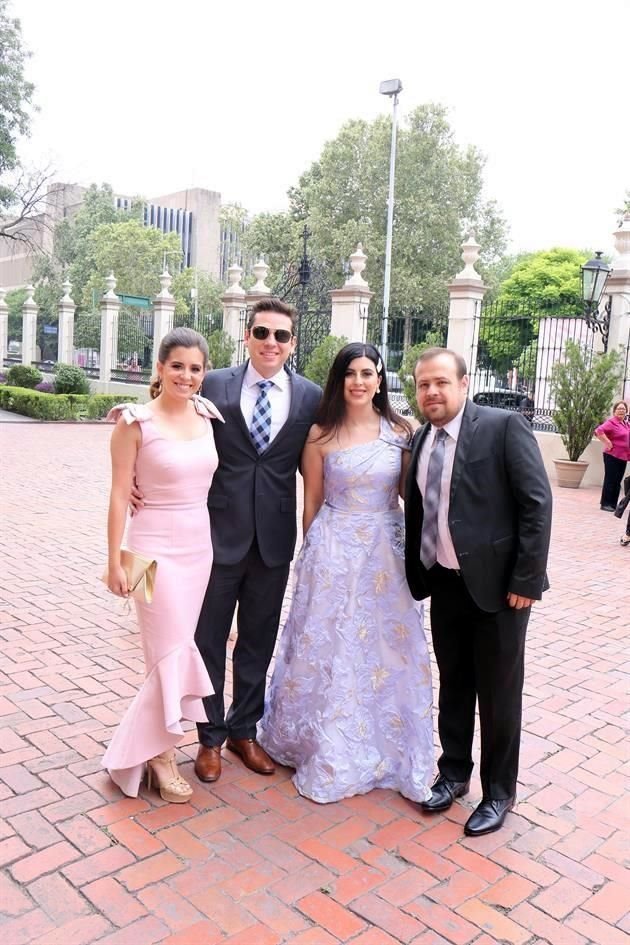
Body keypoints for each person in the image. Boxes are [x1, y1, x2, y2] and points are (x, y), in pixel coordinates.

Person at [258, 343, 434, 803]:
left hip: (384, 551)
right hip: (334, 548)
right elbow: (312, 501)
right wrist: (312, 551)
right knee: (329, 642)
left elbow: (406, 495)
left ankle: (385, 743)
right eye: (350, 373)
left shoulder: (402, 431)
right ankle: (318, 740)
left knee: (383, 647)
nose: (359, 381)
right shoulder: (320, 434)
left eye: (368, 373)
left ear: (380, 380)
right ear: (339, 380)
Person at [404, 347, 552, 837]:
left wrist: (526, 580)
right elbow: (421, 511)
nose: (432, 392)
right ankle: (452, 775)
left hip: (500, 590)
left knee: (499, 693)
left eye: (442, 382)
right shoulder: (422, 438)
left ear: (463, 384)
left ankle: (498, 792)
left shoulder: (501, 427)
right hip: (445, 582)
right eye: (424, 384)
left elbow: (536, 503)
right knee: (456, 683)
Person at [193, 298, 321, 783]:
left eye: (281, 336)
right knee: (207, 639)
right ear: (246, 335)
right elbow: (176, 421)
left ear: (291, 344)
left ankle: (245, 731)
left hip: (273, 539)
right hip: (216, 535)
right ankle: (209, 737)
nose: (271, 342)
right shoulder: (215, 383)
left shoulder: (310, 397)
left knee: (257, 639)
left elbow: (336, 444)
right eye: (262, 332)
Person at [103, 328, 223, 801]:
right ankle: (160, 753)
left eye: (195, 368)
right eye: (177, 366)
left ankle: (153, 746)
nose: (186, 376)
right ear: (159, 368)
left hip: (199, 549)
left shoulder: (207, 415)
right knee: (165, 651)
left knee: (174, 647)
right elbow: (117, 493)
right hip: (145, 552)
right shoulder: (133, 422)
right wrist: (113, 561)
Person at [594, 401, 630, 511]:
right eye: (619, 409)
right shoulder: (612, 422)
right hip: (612, 456)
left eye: (623, 409)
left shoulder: (625, 423)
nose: (621, 411)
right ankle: (605, 504)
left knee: (617, 480)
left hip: (622, 457)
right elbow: (599, 431)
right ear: (614, 411)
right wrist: (607, 442)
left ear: (626, 411)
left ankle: (613, 504)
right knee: (610, 479)